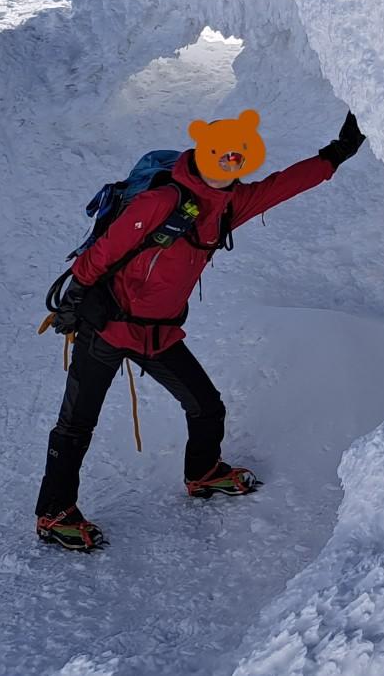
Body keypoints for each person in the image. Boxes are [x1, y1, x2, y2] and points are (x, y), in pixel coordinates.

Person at [35, 109, 366, 551]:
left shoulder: (229, 203)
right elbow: (103, 253)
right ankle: (53, 513)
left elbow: (284, 186)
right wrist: (74, 298)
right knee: (76, 424)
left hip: (158, 334)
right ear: (203, 153)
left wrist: (336, 154)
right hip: (108, 327)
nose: (227, 166)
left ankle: (203, 473)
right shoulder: (161, 201)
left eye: (236, 159)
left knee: (208, 408)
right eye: (220, 157)